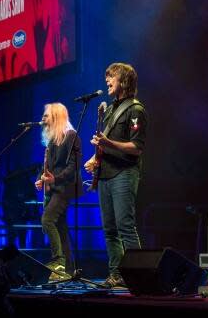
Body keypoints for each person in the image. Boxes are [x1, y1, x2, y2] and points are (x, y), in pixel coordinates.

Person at [84, 62, 148, 288]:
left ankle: (139, 277)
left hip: (124, 173)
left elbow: (137, 147)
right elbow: (106, 145)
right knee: (109, 230)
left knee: (125, 227)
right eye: (107, 77)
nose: (107, 81)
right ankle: (117, 275)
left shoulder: (135, 109)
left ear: (124, 81)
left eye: (111, 77)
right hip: (105, 175)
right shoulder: (110, 109)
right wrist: (95, 159)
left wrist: (107, 142)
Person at [34, 103, 82, 279]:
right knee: (60, 227)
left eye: (46, 116)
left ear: (56, 117)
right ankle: (68, 270)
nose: (43, 119)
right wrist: (41, 178)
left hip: (65, 188)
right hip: (54, 188)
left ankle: (58, 261)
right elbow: (46, 165)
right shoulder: (52, 140)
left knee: (47, 220)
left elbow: (73, 167)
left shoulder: (71, 136)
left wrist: (55, 178)